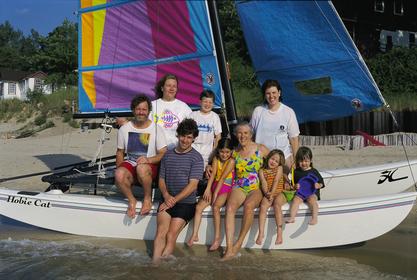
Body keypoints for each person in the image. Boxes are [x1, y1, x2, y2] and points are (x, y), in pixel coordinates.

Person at [152, 118, 204, 264]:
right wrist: (167, 196)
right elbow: (161, 180)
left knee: (170, 235)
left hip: (186, 204)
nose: (185, 140)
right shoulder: (167, 155)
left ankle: (164, 262)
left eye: (189, 137)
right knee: (160, 232)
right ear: (178, 135)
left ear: (193, 139)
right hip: (167, 199)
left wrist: (173, 200)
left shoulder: (197, 158)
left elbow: (192, 186)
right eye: (183, 135)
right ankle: (155, 264)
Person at [219, 122, 269, 260]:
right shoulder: (234, 152)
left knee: (248, 206)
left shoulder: (261, 149)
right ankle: (229, 248)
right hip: (239, 185)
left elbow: (277, 161)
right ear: (236, 135)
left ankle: (238, 244)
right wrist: (209, 168)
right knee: (230, 207)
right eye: (239, 133)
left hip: (257, 186)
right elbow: (220, 162)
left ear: (251, 134)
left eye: (246, 133)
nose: (242, 136)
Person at [115, 95, 168, 217]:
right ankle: (131, 200)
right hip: (131, 163)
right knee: (119, 174)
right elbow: (120, 152)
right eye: (138, 109)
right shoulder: (124, 129)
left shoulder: (156, 129)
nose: (141, 112)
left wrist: (148, 159)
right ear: (133, 110)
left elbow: (163, 153)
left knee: (142, 167)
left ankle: (147, 198)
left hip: (150, 166)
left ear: (148, 111)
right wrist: (119, 174)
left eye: (144, 109)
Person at [187, 138, 234, 251]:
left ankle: (217, 238)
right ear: (218, 151)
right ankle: (195, 234)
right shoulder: (216, 159)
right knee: (198, 207)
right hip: (214, 186)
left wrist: (215, 194)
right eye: (222, 152)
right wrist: (208, 190)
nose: (224, 155)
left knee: (216, 207)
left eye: (227, 152)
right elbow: (212, 177)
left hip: (225, 187)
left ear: (231, 152)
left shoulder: (231, 161)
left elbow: (222, 179)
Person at [250, 79, 300, 168]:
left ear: (279, 93)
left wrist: (295, 160)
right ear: (264, 95)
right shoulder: (258, 111)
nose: (271, 96)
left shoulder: (288, 112)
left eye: (274, 92)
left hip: (283, 158)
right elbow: (250, 136)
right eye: (268, 93)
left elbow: (294, 139)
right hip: (261, 159)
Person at [150, 74, 192, 149]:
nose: (172, 88)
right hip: (155, 151)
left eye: (174, 86)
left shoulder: (184, 107)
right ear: (162, 88)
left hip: (177, 152)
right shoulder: (152, 105)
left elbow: (191, 131)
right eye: (168, 85)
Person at [256, 149, 288, 245]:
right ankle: (261, 233)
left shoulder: (279, 169)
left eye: (276, 161)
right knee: (263, 206)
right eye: (272, 159)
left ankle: (279, 233)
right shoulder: (262, 170)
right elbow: (263, 183)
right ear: (268, 157)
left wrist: (272, 193)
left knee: (277, 205)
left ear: (279, 163)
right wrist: (266, 193)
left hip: (279, 193)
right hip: (269, 193)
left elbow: (276, 181)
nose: (273, 162)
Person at [286, 146, 324, 225]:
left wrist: (318, 185)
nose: (304, 163)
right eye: (301, 161)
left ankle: (314, 218)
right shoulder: (296, 172)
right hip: (301, 193)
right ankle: (292, 217)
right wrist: (295, 186)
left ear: (310, 160)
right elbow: (292, 185)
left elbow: (322, 182)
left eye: (306, 161)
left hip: (312, 192)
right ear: (297, 161)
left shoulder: (314, 171)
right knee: (295, 200)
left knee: (312, 200)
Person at [190, 90, 222, 169]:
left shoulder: (215, 117)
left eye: (210, 102)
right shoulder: (192, 115)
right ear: (200, 102)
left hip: (208, 155)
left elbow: (218, 137)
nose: (207, 104)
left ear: (213, 104)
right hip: (192, 153)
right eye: (205, 101)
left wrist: (214, 153)